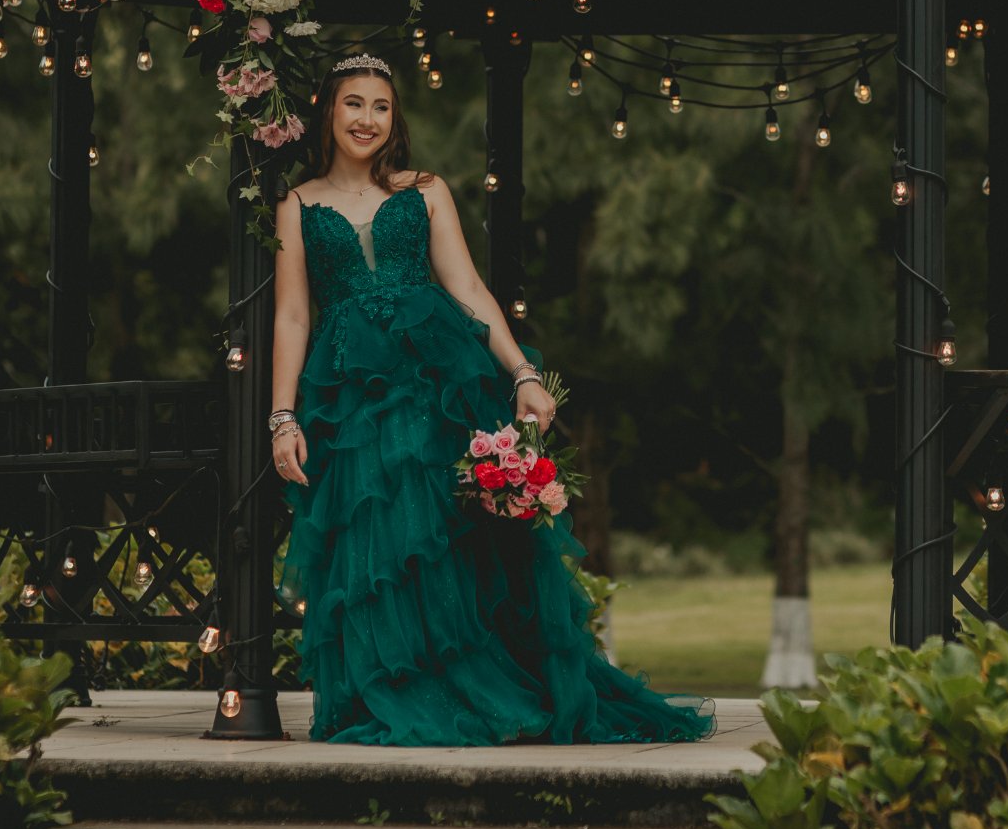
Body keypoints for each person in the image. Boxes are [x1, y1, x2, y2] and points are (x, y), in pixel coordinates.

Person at [268, 51, 716, 746]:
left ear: (396, 119)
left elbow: (470, 289)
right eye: (354, 103)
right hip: (352, 396)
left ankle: (468, 683)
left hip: (436, 382)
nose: (367, 119)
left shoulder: (426, 189)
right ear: (329, 109)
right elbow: (292, 316)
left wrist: (520, 373)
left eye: (381, 106)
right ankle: (393, 687)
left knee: (446, 538)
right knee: (377, 546)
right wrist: (283, 417)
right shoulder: (297, 204)